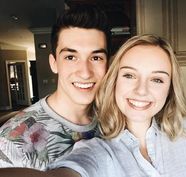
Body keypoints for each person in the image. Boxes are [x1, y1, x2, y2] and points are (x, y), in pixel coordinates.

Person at [0, 35, 186, 177]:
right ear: (114, 81)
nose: (141, 90)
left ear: (170, 88)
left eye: (157, 79)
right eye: (129, 75)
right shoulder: (96, 151)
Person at [0, 4, 110, 170]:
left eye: (96, 58)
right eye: (71, 57)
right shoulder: (12, 142)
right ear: (54, 63)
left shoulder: (114, 118)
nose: (85, 73)